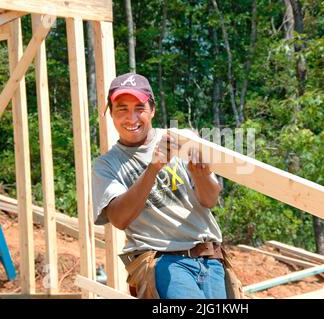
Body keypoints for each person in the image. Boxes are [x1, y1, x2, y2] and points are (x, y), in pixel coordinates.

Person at [92, 72, 238, 299]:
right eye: (122, 109)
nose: (131, 118)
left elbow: (210, 200)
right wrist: (153, 168)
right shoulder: (107, 165)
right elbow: (119, 220)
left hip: (210, 259)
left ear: (152, 110)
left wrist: (200, 174)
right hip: (163, 261)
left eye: (139, 108)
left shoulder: (178, 140)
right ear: (111, 114)